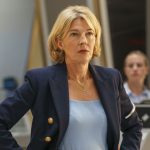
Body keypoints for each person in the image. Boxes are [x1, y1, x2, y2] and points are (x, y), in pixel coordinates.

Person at [0, 5, 142, 150]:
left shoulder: (111, 79)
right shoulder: (40, 80)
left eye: (89, 33)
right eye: (74, 34)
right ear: (59, 42)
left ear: (96, 39)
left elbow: (134, 126)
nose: (83, 41)